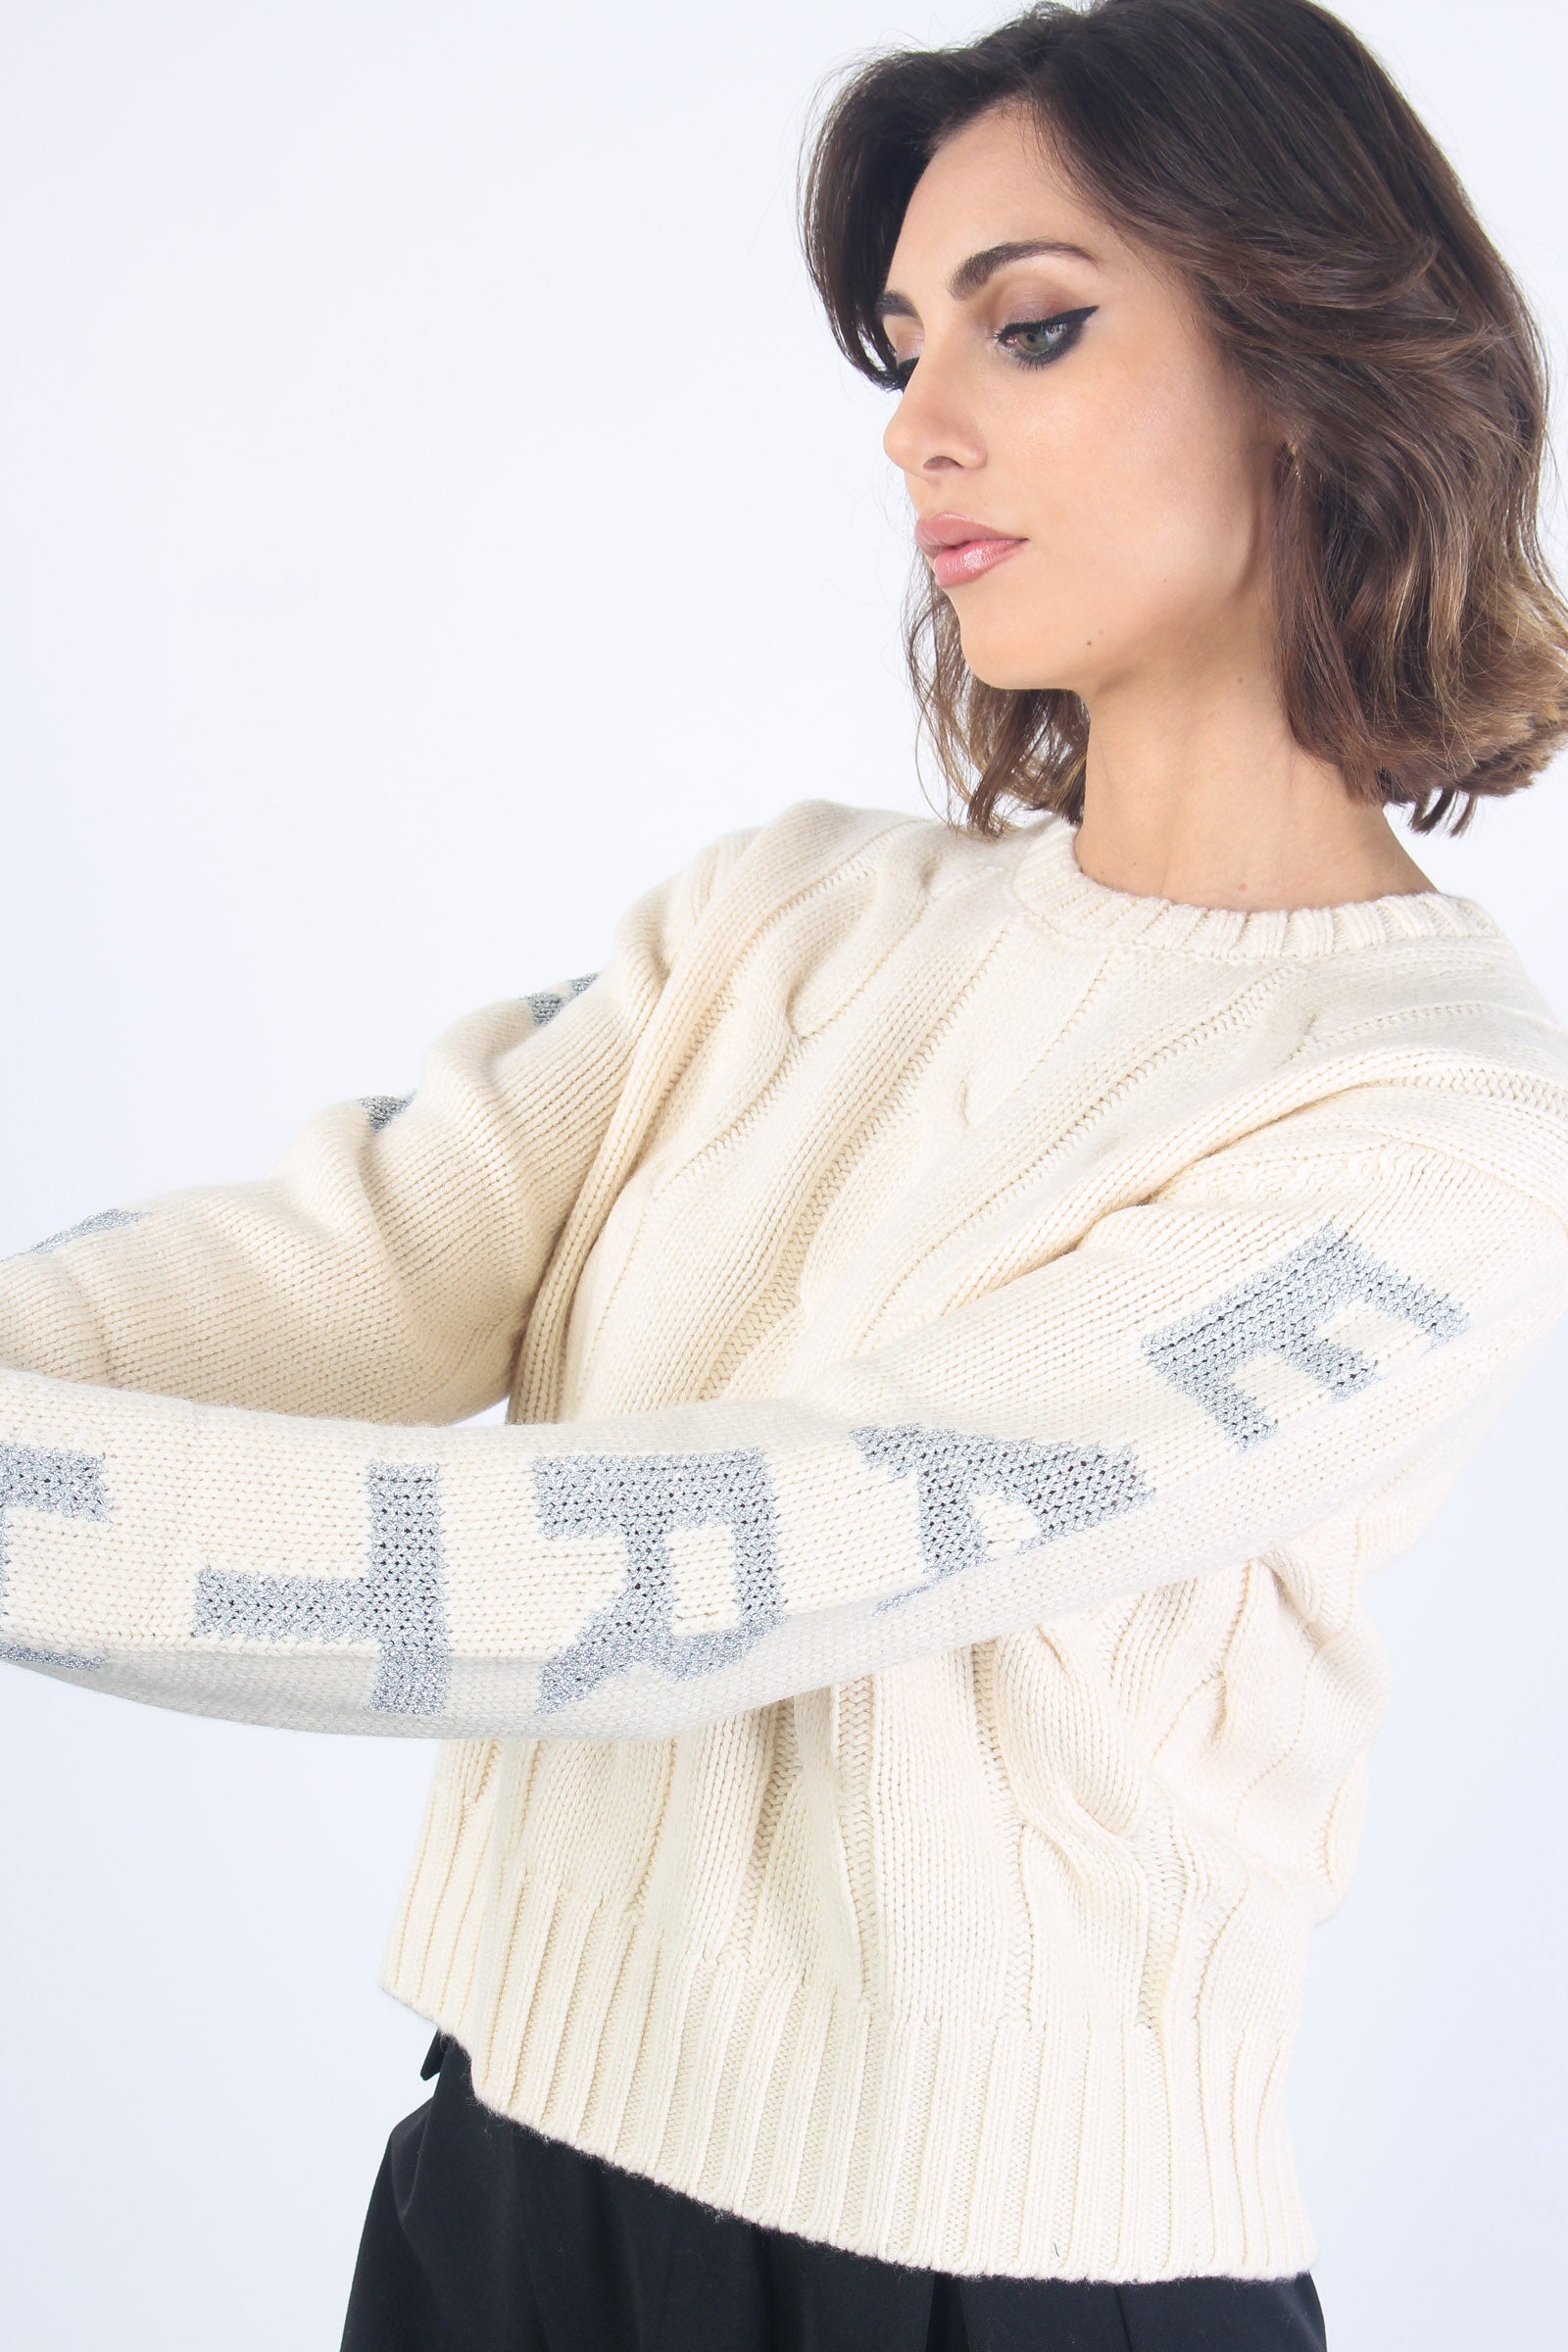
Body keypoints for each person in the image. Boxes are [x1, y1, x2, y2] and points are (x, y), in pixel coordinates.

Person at [3, 0, 1566, 2343]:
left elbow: (699, 1568)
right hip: (502, 2188)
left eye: (1030, 326)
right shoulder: (785, 916)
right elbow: (332, 1271)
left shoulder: (1432, 1121)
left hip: (998, 2291)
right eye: (900, 346)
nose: (913, 424)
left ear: (1313, 359)